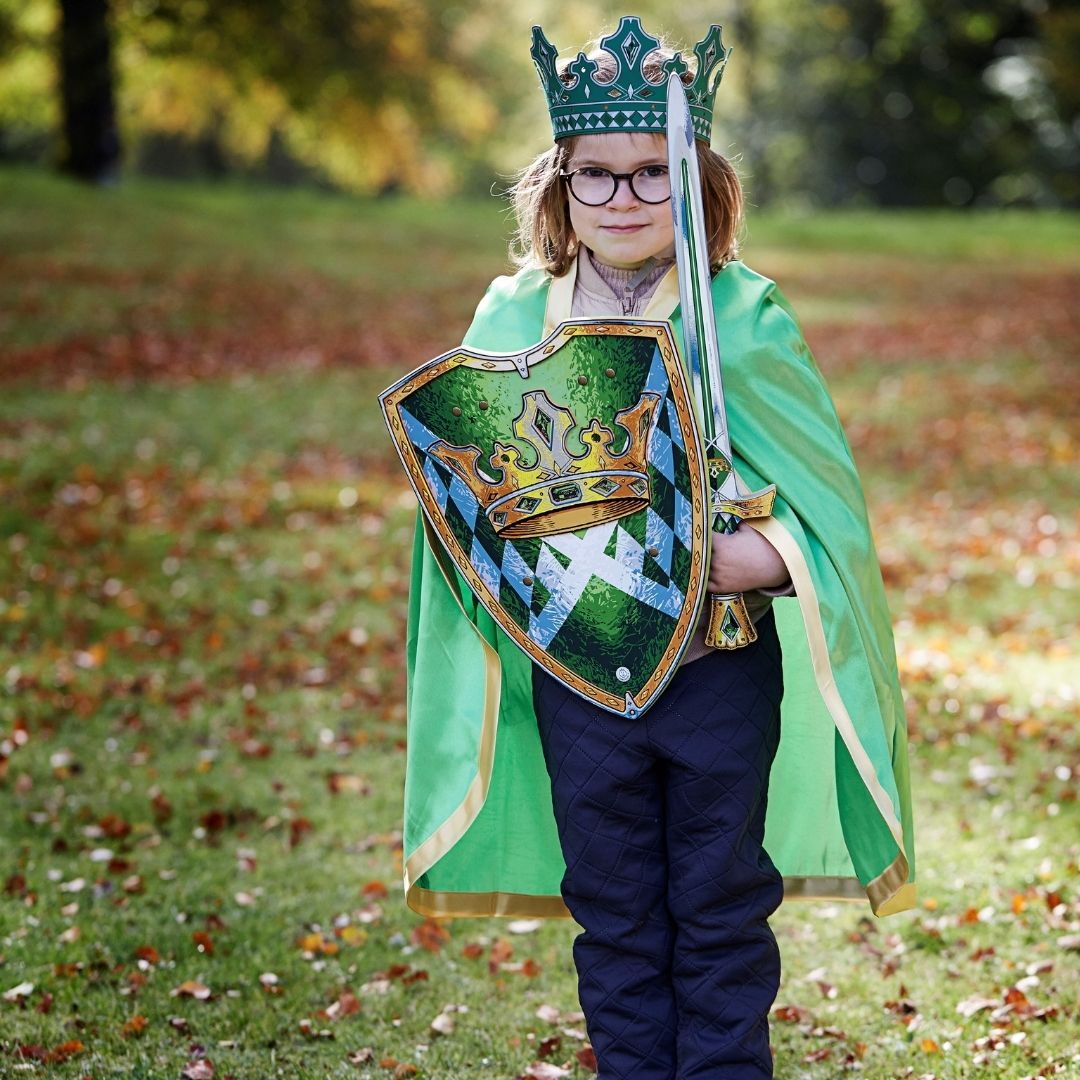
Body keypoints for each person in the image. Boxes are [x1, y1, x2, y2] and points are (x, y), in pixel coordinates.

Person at [395, 17, 916, 1080]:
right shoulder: (510, 317)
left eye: (648, 174)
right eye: (597, 177)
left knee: (720, 907)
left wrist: (764, 558)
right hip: (580, 678)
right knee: (617, 911)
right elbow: (465, 500)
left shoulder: (742, 314)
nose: (624, 199)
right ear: (559, 186)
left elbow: (828, 510)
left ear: (694, 181)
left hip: (719, 669)